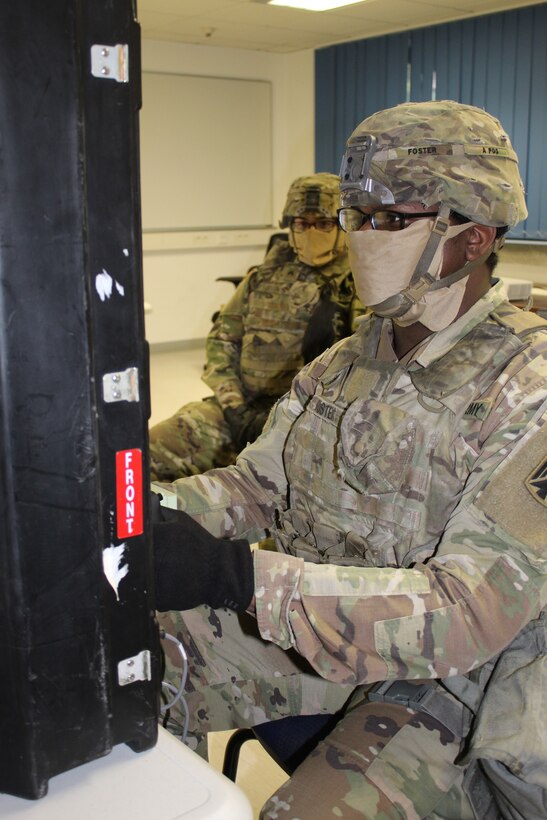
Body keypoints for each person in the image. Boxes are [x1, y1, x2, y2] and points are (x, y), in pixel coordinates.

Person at [152, 101, 547, 818]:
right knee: (120, 658)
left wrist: (236, 576)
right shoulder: (343, 362)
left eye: (393, 219)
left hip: (452, 682)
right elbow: (256, 486)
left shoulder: (529, 387)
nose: (365, 237)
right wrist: (143, 518)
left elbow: (467, 614)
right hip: (317, 628)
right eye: (358, 216)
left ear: (474, 234)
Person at [149, 172, 364, 481]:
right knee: (145, 455)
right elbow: (222, 342)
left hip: (309, 424)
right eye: (302, 223)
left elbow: (362, 375)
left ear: (343, 225)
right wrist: (234, 409)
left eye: (324, 224)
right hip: (237, 411)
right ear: (289, 226)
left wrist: (283, 418)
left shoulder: (361, 286)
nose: (311, 232)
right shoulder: (260, 280)